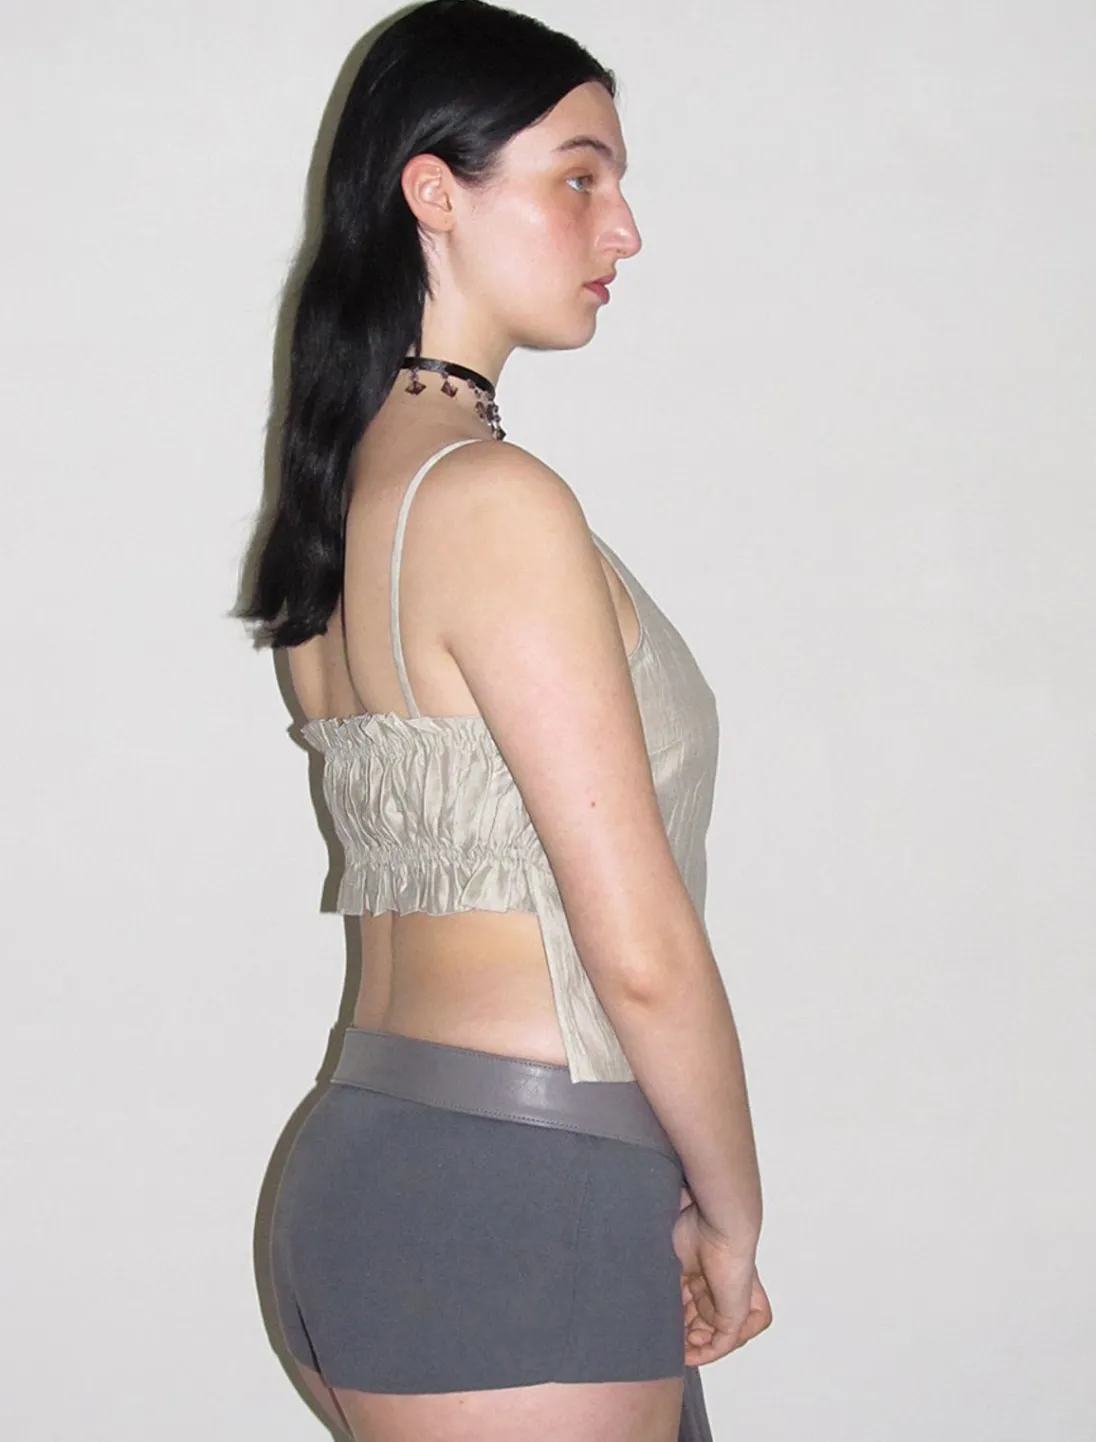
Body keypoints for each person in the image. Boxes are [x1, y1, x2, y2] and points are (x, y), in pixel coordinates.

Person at [241, 2, 771, 1439]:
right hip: (522, 1200)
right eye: (578, 177)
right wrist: (731, 1211)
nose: (623, 230)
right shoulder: (493, 504)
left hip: (374, 1169)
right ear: (435, 192)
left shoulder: (340, 504)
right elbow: (640, 952)